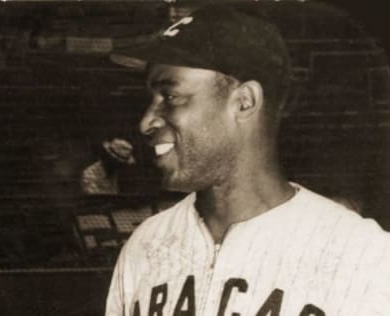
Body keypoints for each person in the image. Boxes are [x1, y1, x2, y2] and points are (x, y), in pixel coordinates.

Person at [105, 3, 390, 316]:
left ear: (244, 102)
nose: (146, 122)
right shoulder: (145, 245)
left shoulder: (361, 255)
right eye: (151, 99)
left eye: (170, 97)